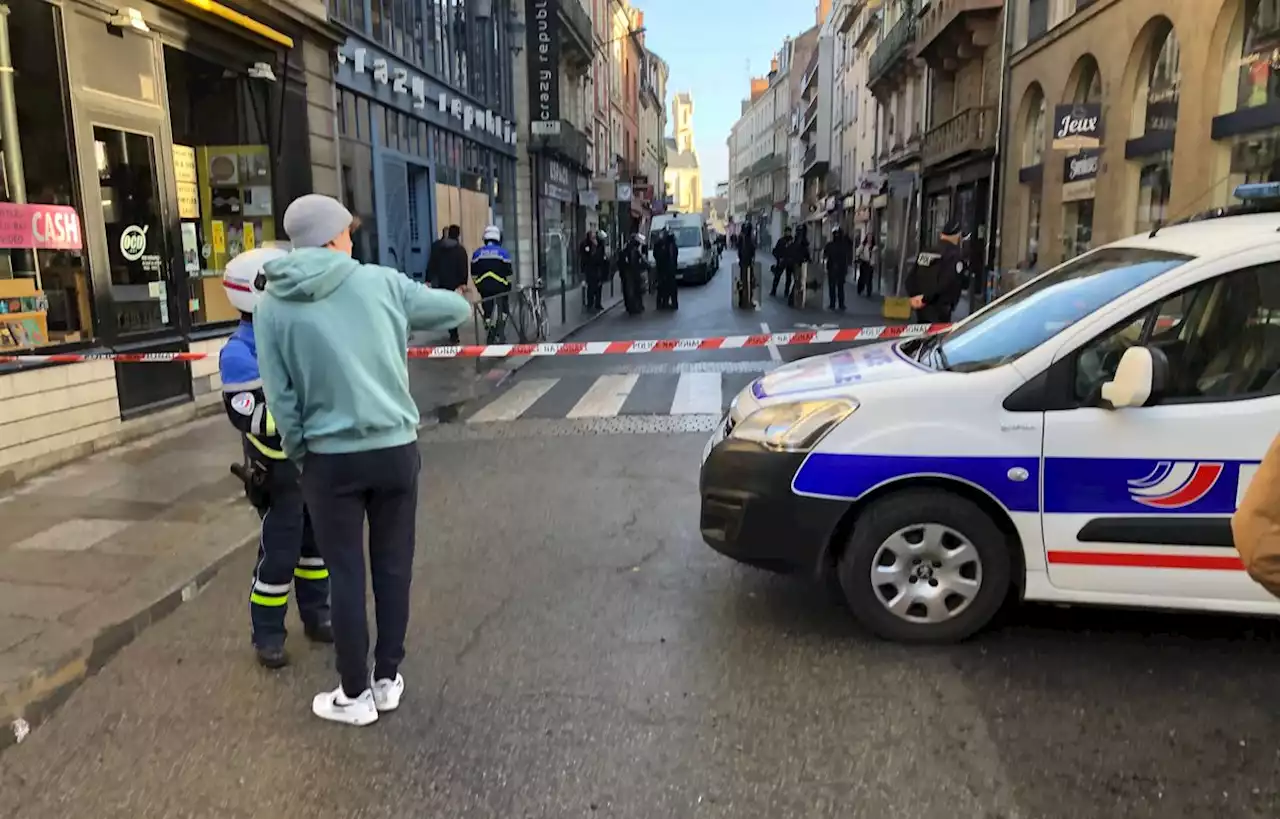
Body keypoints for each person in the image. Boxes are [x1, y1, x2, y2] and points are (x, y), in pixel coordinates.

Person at [255, 194, 472, 727]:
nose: (352, 238)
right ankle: (387, 679)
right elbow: (456, 309)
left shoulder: (272, 306)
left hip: (329, 460)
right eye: (347, 231)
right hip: (396, 450)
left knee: (345, 573)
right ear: (332, 237)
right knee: (394, 567)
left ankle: (354, 695)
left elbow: (280, 397)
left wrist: (303, 452)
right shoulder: (381, 282)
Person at [219, 247, 332, 671]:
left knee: (316, 548)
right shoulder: (239, 352)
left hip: (310, 464)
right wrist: (301, 413)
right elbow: (245, 413)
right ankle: (267, 633)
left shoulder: (291, 335)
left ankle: (318, 614)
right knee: (279, 555)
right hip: (279, 472)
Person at [906, 216, 966, 324]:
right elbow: (945, 283)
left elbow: (910, 279)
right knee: (937, 338)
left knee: (922, 337)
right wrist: (925, 299)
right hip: (940, 308)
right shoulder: (953, 256)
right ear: (957, 236)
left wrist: (915, 298)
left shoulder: (926, 252)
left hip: (921, 308)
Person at [426, 224, 470, 344]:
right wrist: (463, 282)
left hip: (442, 281)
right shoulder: (460, 250)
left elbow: (431, 264)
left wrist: (428, 279)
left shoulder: (438, 248)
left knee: (446, 306)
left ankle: (449, 328)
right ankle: (453, 332)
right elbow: (463, 267)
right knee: (454, 307)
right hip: (455, 284)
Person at [471, 225, 514, 343]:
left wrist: (479, 286)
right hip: (501, 286)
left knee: (487, 310)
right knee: (504, 308)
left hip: (484, 288)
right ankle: (500, 328)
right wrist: (508, 287)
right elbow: (509, 273)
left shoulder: (477, 254)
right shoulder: (504, 253)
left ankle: (490, 330)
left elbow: (474, 274)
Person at [823, 227, 854, 312]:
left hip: (837, 269)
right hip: (836, 269)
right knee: (837, 287)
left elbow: (825, 254)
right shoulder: (839, 245)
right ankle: (838, 304)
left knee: (836, 287)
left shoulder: (833, 245)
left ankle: (836, 304)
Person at [618, 232, 647, 315]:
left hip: (632, 273)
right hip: (629, 274)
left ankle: (635, 306)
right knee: (631, 291)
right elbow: (628, 262)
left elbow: (640, 261)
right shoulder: (629, 250)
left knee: (635, 290)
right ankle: (633, 307)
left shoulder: (632, 249)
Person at [579, 230, 606, 311]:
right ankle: (590, 303)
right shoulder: (585, 244)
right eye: (592, 236)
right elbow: (584, 256)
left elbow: (601, 255)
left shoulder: (599, 244)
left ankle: (598, 303)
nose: (593, 238)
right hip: (590, 269)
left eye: (594, 236)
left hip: (597, 269)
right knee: (591, 287)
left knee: (598, 287)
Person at [654, 229, 679, 310]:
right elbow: (659, 257)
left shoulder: (670, 246)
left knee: (667, 288)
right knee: (663, 288)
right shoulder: (664, 246)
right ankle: (664, 303)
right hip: (665, 270)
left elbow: (672, 258)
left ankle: (667, 303)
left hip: (668, 270)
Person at [770, 227, 795, 300]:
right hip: (782, 261)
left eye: (789, 232)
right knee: (777, 276)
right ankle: (773, 290)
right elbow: (775, 251)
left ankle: (786, 292)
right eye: (786, 232)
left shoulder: (793, 241)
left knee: (788, 278)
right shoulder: (781, 241)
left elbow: (795, 251)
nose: (788, 233)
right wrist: (779, 258)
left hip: (790, 262)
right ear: (784, 232)